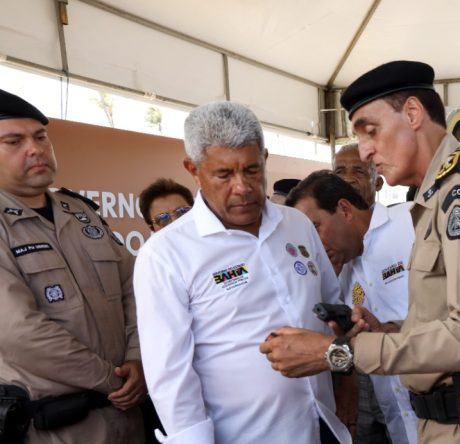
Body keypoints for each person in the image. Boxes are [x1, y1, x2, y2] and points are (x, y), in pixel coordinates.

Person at [261, 60, 460, 443]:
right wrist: (390, 331)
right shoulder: (434, 198)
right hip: (447, 422)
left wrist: (339, 351)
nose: (365, 152)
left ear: (412, 113)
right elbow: (450, 319)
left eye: (370, 131)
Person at [133, 102, 349, 444]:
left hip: (323, 423)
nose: (243, 187)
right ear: (193, 169)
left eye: (252, 170)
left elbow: (333, 311)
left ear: (264, 158)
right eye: (224, 175)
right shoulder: (165, 254)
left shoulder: (297, 225)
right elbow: (170, 376)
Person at [0, 88, 145, 443]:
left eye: (40, 137)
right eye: (14, 141)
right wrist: (111, 378)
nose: (35, 149)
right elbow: (19, 331)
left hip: (126, 417)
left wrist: (138, 358)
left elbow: (135, 286)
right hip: (56, 427)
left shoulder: (79, 212)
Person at [286, 170, 418, 444]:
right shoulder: (338, 272)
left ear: (344, 209)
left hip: (456, 413)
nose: (314, 245)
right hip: (400, 424)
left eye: (315, 228)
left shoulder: (412, 222)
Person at [334, 142, 384, 206]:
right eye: (339, 172)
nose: (348, 179)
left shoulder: (393, 212)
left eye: (359, 172)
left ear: (378, 184)